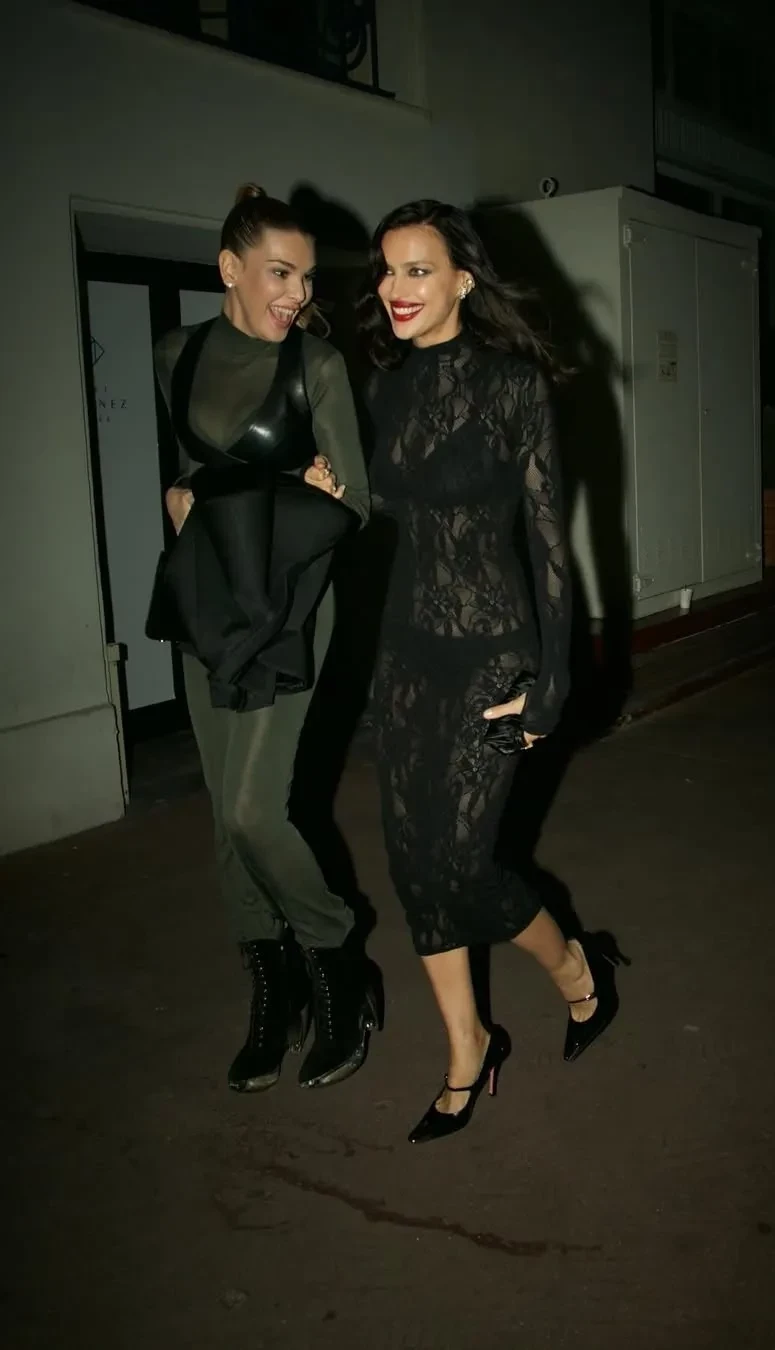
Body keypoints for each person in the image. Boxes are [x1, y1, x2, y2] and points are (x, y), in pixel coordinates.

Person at [328, 199, 625, 1143]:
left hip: (494, 650)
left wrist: (553, 680)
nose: (396, 287)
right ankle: (469, 1046)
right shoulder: (383, 385)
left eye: (418, 269)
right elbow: (379, 514)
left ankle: (578, 971)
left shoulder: (512, 384)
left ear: (463, 279)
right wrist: (333, 494)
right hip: (406, 651)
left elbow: (550, 545)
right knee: (411, 863)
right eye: (388, 269)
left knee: (461, 863)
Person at [151, 184, 378, 1094]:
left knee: (256, 809)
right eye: (280, 273)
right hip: (208, 595)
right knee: (223, 819)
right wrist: (179, 496)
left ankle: (337, 958)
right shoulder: (175, 353)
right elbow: (189, 471)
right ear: (229, 269)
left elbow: (357, 505)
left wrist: (306, 494)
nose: (297, 294)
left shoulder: (316, 365)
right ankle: (274, 992)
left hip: (289, 599)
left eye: (306, 277)